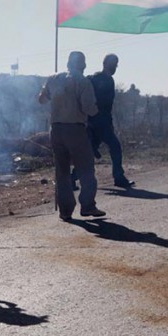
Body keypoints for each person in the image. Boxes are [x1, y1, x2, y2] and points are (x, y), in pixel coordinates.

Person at [38, 51, 105, 221]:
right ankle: (88, 205)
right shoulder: (82, 81)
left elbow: (42, 99)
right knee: (86, 168)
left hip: (55, 129)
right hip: (75, 129)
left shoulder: (53, 78)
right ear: (82, 64)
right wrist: (98, 111)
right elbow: (89, 108)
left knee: (62, 171)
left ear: (68, 63)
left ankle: (65, 210)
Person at [87, 53, 134, 189]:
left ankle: (73, 177)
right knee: (115, 147)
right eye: (113, 64)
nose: (115, 67)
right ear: (105, 64)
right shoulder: (97, 79)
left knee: (90, 152)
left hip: (102, 121)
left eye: (116, 64)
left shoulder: (108, 80)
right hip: (98, 121)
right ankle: (119, 178)